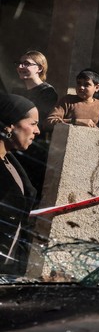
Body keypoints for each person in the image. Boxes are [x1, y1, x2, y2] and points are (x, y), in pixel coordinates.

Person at [0, 93, 40, 275]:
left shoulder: (10, 161)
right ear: (9, 125)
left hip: (10, 270)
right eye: (33, 124)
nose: (38, 131)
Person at [13, 51, 57, 200]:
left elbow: (34, 120)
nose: (20, 66)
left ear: (39, 68)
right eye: (19, 63)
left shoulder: (47, 92)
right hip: (16, 142)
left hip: (33, 147)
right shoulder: (17, 91)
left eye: (26, 63)